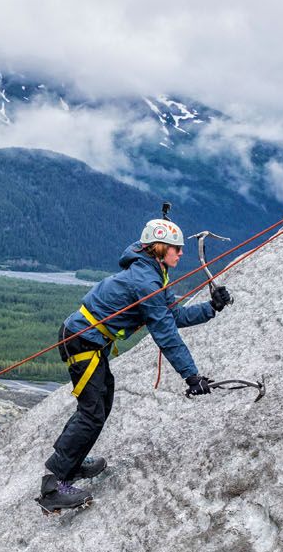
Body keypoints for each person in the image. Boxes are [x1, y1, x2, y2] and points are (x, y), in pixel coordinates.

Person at [38, 217, 230, 512]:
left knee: (101, 403)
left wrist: (211, 308)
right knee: (92, 411)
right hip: (82, 340)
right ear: (159, 248)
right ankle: (53, 487)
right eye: (175, 249)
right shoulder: (146, 280)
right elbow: (165, 334)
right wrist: (192, 377)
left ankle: (71, 464)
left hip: (88, 340)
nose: (180, 254)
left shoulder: (155, 274)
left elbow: (173, 317)